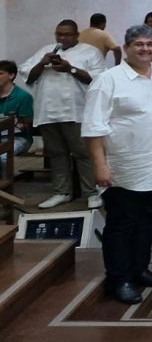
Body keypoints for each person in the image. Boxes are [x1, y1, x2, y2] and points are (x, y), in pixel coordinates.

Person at [82, 24, 152, 304]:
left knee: (146, 224)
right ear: (126, 48)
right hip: (126, 169)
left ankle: (139, 269)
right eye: (138, 44)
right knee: (122, 225)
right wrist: (99, 165)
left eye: (149, 44)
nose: (145, 49)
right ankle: (119, 278)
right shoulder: (109, 80)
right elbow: (94, 127)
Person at [20, 19, 105, 209]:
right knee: (56, 154)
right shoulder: (46, 50)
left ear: (76, 35)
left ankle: (92, 192)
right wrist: (42, 64)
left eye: (67, 34)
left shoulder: (90, 52)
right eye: (59, 34)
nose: (62, 38)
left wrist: (70, 69)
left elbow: (98, 79)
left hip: (77, 111)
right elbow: (28, 75)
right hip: (48, 112)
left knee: (83, 153)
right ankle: (61, 192)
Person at [0, 59, 34, 165]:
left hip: (18, 138)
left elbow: (27, 123)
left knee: (3, 156)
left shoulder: (23, 97)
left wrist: (17, 123)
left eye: (0, 73)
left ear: (11, 75)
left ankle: (5, 180)